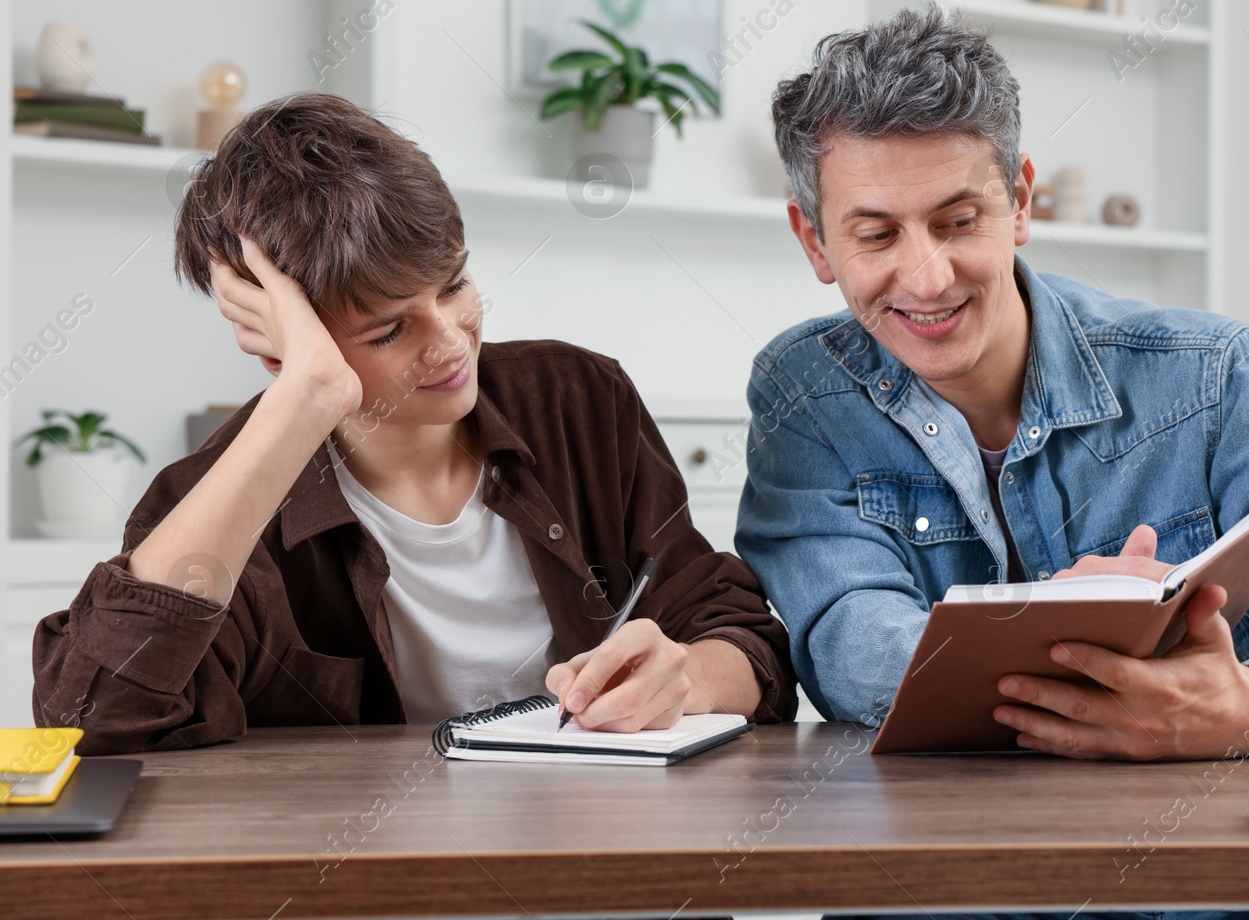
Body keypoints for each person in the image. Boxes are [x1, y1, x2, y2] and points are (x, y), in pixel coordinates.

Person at [736, 6, 1249, 920]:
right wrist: (1072, 632)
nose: (926, 278)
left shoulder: (1217, 376)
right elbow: (842, 636)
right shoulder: (804, 394)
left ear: (1020, 200)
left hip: (1224, 860)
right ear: (814, 242)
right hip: (959, 865)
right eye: (876, 235)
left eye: (958, 220)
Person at [33, 92, 796, 754]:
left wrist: (685, 677)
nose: (451, 339)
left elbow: (745, 638)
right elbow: (90, 719)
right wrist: (301, 402)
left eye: (454, 283)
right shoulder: (219, 499)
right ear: (282, 346)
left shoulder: (579, 398)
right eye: (388, 330)